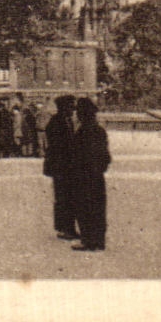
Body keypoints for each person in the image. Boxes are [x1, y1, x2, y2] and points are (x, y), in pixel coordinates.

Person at [70, 98, 111, 251]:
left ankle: (87, 240)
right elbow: (106, 156)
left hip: (83, 176)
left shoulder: (82, 132)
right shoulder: (99, 130)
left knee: (84, 208)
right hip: (97, 176)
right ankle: (99, 240)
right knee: (98, 208)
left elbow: (77, 155)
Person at [42, 95, 78, 240]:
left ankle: (67, 227)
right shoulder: (56, 123)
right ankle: (64, 229)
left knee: (68, 197)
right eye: (70, 107)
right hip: (61, 166)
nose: (73, 110)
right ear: (63, 108)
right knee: (63, 197)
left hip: (67, 166)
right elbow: (57, 146)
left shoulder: (66, 121)